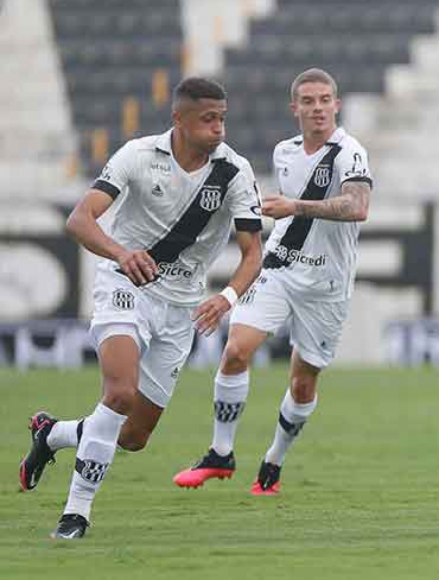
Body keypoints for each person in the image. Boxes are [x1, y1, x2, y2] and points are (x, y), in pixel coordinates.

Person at [18, 77, 264, 539]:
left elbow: (253, 254)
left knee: (132, 436)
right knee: (119, 393)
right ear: (180, 119)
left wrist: (226, 298)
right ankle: (76, 513)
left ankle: (52, 433)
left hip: (182, 307)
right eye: (208, 119)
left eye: (223, 119)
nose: (219, 129)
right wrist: (120, 254)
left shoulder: (234, 171)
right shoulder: (137, 155)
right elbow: (80, 219)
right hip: (124, 285)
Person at [172, 68, 372, 495]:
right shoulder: (285, 152)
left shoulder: (350, 152)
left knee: (302, 383)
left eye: (324, 100)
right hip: (279, 268)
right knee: (236, 351)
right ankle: (221, 453)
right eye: (308, 101)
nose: (317, 108)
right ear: (294, 108)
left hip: (326, 285)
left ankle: (273, 461)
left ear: (336, 105)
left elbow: (357, 206)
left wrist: (295, 206)